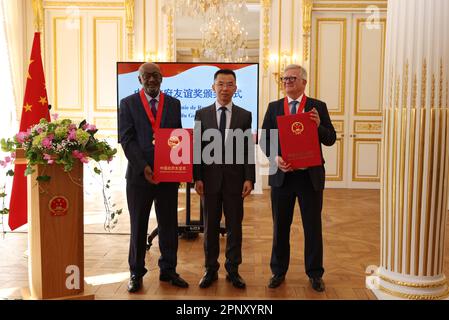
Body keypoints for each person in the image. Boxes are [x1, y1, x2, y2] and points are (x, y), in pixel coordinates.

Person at [260, 64, 336, 292]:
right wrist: (276, 158)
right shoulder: (274, 108)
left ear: (304, 82)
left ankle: (315, 274)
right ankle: (278, 271)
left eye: (292, 78)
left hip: (309, 177)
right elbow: (264, 140)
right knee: (280, 227)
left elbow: (330, 138)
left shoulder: (317, 107)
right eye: (284, 79)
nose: (287, 82)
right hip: (282, 176)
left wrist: (318, 125)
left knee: (312, 227)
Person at [119, 62, 189, 293]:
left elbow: (176, 136)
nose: (151, 80)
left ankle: (168, 269)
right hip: (140, 177)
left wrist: (179, 167)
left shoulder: (173, 103)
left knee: (169, 224)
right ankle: (136, 273)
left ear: (162, 79)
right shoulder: (128, 104)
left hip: (168, 176)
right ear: (139, 80)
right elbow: (127, 140)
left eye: (156, 76)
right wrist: (144, 167)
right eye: (146, 76)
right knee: (138, 226)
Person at [193, 69, 255, 289]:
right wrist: (197, 177)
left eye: (229, 84)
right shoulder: (202, 114)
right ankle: (210, 269)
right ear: (213, 87)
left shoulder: (245, 115)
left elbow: (248, 149)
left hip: (235, 181)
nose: (225, 89)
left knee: (234, 227)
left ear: (235, 89)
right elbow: (197, 148)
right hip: (208, 181)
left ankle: (233, 269)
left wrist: (250, 177)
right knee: (209, 227)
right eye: (220, 84)